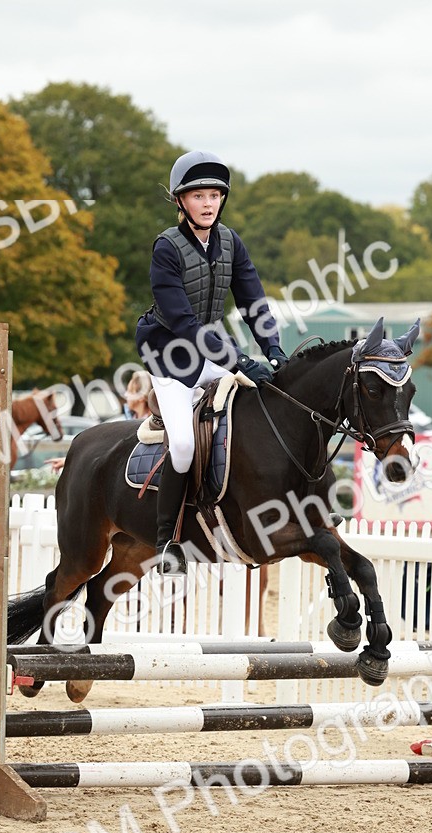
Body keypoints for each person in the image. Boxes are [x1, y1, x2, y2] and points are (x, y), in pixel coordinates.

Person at [136, 150, 287, 575]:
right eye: (198, 195)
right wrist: (239, 360)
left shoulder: (230, 242)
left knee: (268, 396)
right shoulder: (166, 247)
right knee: (183, 444)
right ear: (180, 201)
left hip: (210, 351)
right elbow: (183, 321)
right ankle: (168, 541)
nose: (207, 203)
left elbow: (252, 298)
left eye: (214, 195)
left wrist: (272, 347)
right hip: (170, 356)